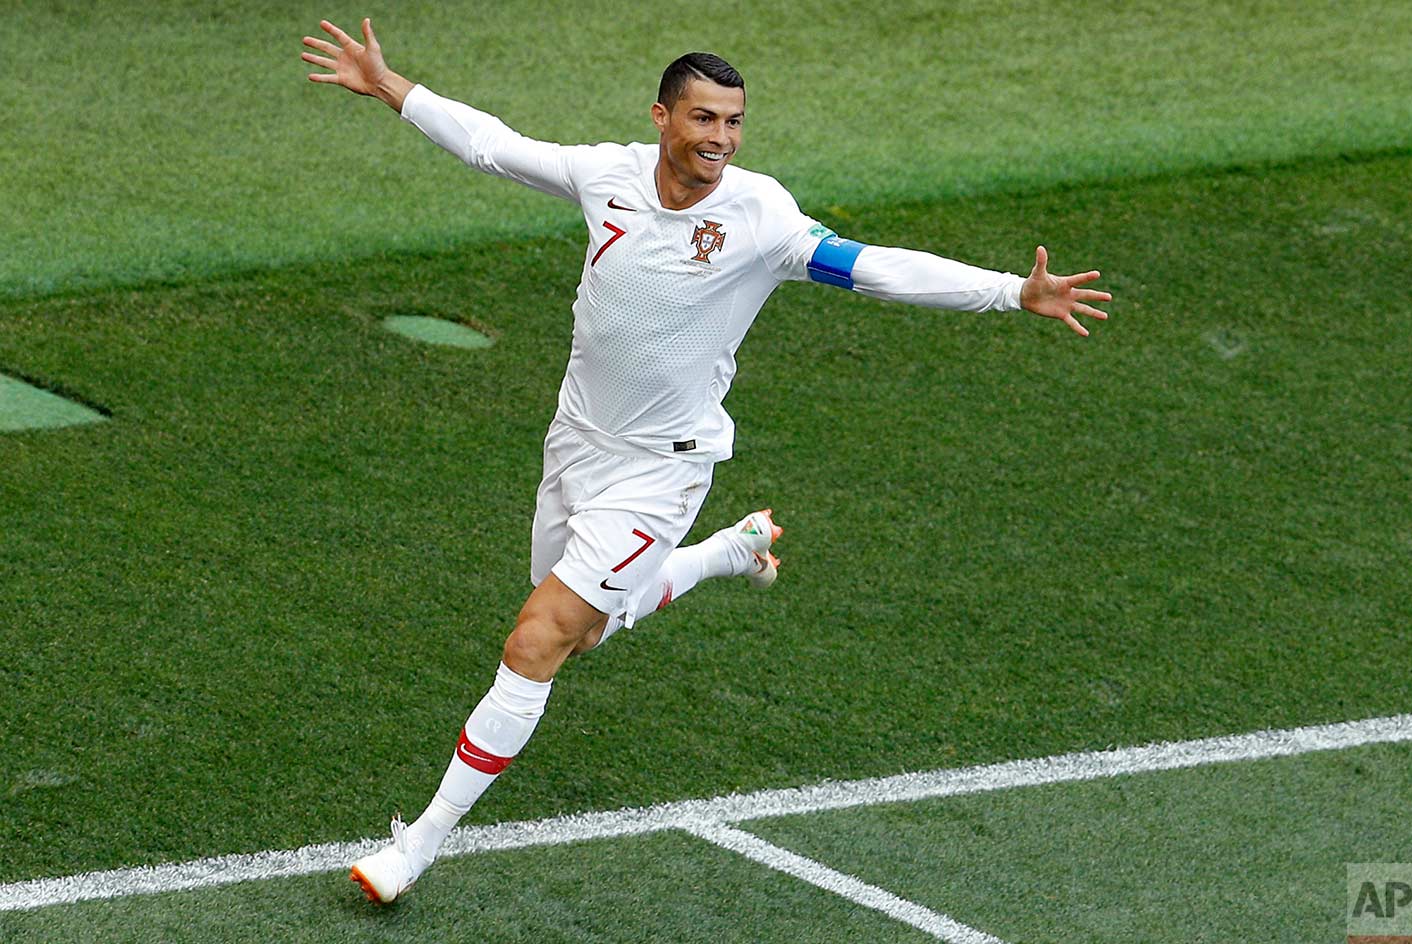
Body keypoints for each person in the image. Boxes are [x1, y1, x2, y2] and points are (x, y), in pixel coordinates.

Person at [301, 17, 1111, 904]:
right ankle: (730, 552)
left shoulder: (761, 216)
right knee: (586, 629)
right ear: (661, 117)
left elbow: (875, 267)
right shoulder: (605, 176)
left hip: (663, 470)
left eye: (733, 122)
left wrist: (1009, 292)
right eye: (703, 119)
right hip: (575, 443)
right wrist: (390, 87)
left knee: (536, 641)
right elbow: (494, 147)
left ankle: (416, 844)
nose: (719, 139)